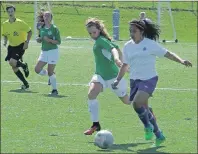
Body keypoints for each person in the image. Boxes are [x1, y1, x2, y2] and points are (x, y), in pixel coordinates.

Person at [112, 19, 192, 147]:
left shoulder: (150, 44)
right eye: (130, 31)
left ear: (142, 31)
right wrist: (117, 79)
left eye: (134, 31)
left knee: (137, 103)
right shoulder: (127, 46)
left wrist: (181, 61)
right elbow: (125, 65)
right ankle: (158, 133)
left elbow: (168, 54)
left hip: (149, 79)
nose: (131, 33)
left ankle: (147, 126)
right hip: (135, 80)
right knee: (144, 108)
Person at [83, 17, 131, 135]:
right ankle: (95, 124)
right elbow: (117, 48)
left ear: (99, 30)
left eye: (94, 32)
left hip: (113, 77)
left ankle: (144, 106)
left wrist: (117, 59)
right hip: (100, 75)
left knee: (128, 101)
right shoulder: (100, 40)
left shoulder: (101, 40)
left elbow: (114, 48)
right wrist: (121, 60)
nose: (92, 35)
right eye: (90, 33)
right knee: (92, 94)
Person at [2, 4, 32, 90]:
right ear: (7, 12)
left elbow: (30, 31)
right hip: (11, 46)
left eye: (12, 11)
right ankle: (25, 84)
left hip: (20, 45)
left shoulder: (20, 22)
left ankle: (23, 66)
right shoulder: (5, 24)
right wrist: (5, 41)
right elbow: (4, 35)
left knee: (12, 62)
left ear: (14, 12)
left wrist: (27, 42)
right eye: (9, 11)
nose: (10, 13)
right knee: (14, 67)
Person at [35, 11, 61, 95]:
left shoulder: (54, 28)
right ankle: (51, 75)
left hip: (53, 52)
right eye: (45, 16)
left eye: (48, 16)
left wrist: (49, 40)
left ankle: (54, 90)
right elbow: (40, 39)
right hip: (44, 51)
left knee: (50, 72)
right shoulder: (41, 28)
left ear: (51, 18)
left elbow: (58, 42)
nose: (46, 17)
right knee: (37, 69)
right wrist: (39, 40)